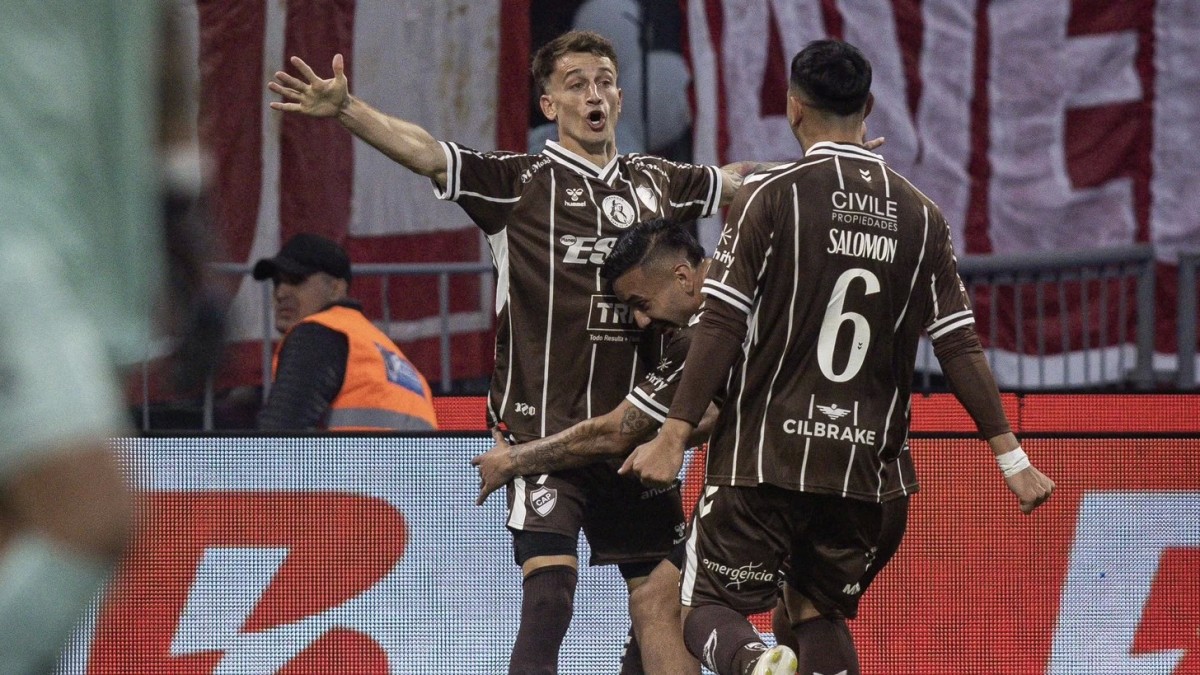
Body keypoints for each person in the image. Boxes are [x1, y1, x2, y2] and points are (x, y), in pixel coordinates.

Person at [268, 29, 758, 674]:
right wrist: (348, 109)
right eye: (577, 84)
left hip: (634, 438)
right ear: (549, 105)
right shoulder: (518, 184)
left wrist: (837, 168)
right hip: (542, 438)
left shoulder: (658, 181)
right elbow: (428, 154)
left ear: (618, 97)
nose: (595, 94)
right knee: (550, 598)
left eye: (605, 82)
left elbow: (741, 182)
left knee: (660, 604)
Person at [621, 39, 1056, 675]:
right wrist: (1010, 457)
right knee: (813, 610)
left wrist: (673, 435)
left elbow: (721, 322)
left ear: (794, 109)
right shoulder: (923, 216)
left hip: (766, 459)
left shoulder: (769, 197)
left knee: (703, 606)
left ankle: (755, 665)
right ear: (868, 107)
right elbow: (958, 342)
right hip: (864, 468)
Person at [473, 219, 917, 675]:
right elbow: (729, 408)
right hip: (882, 484)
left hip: (781, 482)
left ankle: (751, 664)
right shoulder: (774, 281)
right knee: (806, 614)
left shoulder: (710, 326)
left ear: (683, 277)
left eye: (641, 304)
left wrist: (514, 459)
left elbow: (618, 430)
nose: (642, 321)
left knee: (665, 601)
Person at [0, 1, 205, 672]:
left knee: (18, 529)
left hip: (80, 253)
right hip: (16, 246)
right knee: (90, 518)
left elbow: (162, 42)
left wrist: (181, 211)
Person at [253, 233, 438, 431]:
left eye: (296, 280)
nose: (280, 293)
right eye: (277, 282)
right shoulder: (390, 358)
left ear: (336, 289)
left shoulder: (318, 334)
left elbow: (279, 432)